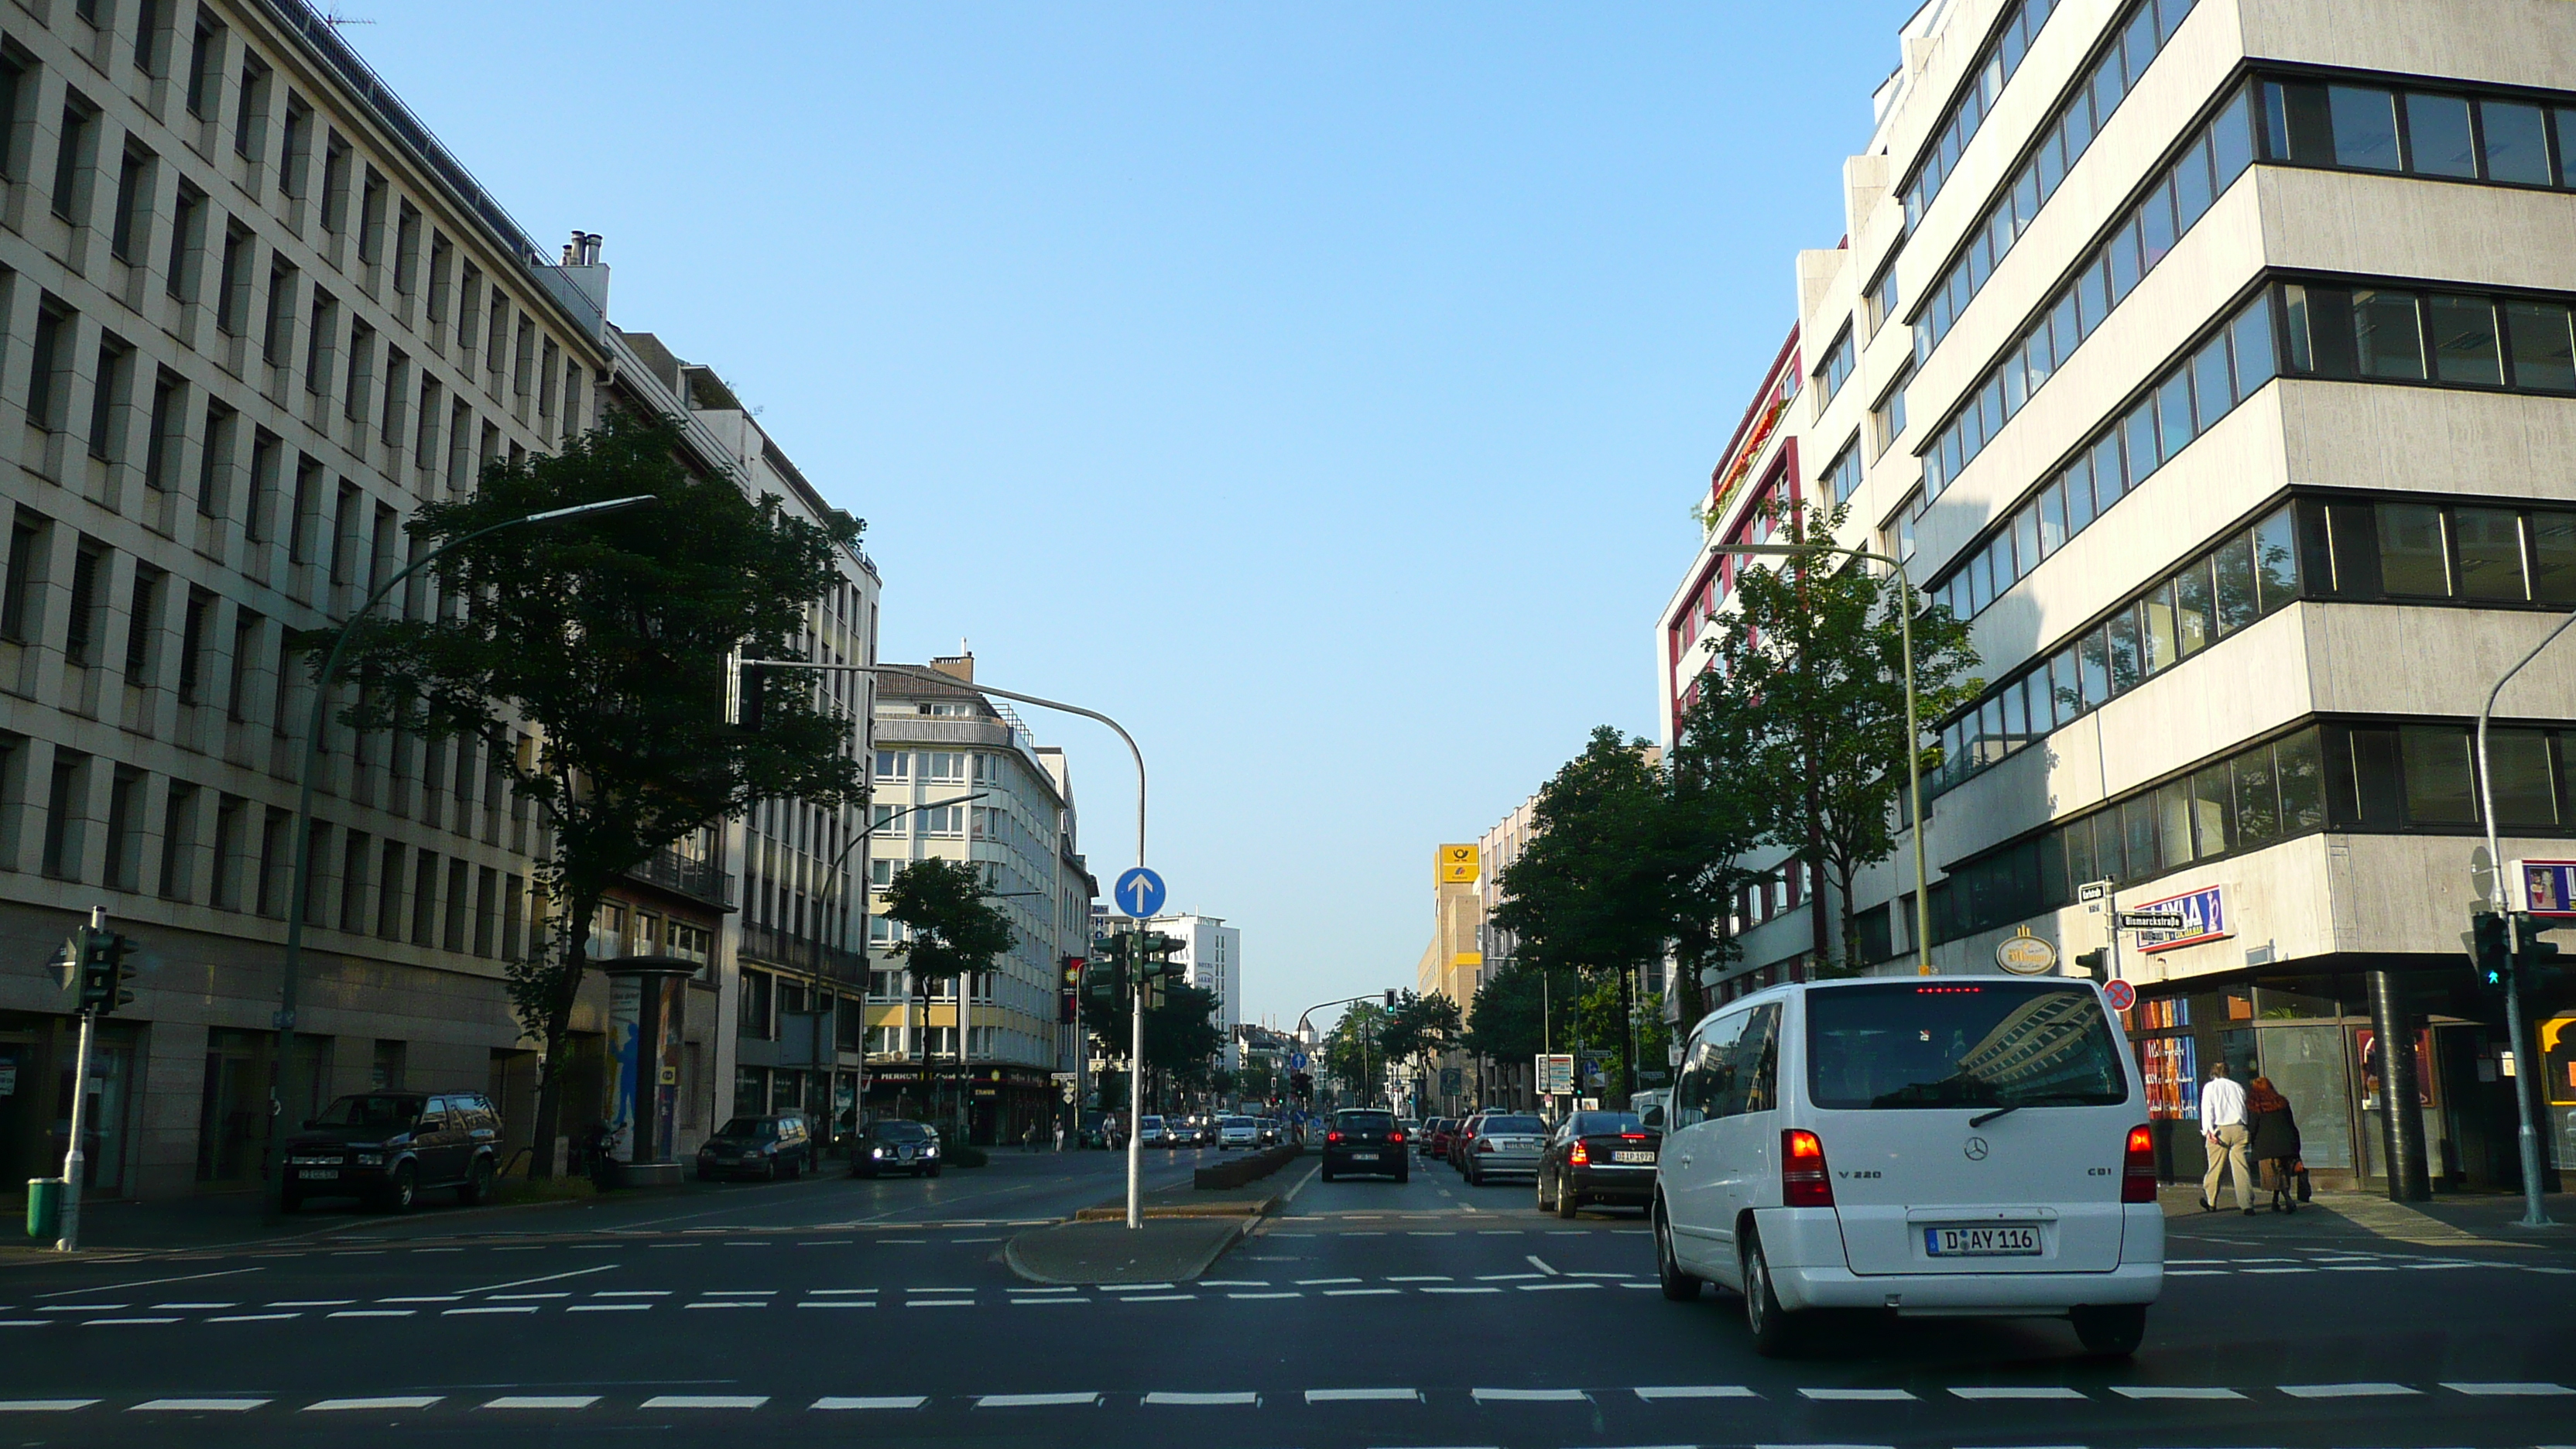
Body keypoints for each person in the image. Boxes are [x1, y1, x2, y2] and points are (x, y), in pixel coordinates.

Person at [2199, 1060, 2253, 1214]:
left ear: (2213, 1073)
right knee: (2241, 1168)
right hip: (2239, 1127)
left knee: (2215, 1167)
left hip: (2220, 1129)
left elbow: (2207, 1109)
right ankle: (2247, 1203)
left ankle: (2211, 1201)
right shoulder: (2237, 1086)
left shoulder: (2210, 1087)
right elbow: (2243, 1108)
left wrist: (2208, 1131)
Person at [2245, 1076, 2301, 1214]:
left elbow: (2253, 1127)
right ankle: (2275, 1201)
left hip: (2266, 1146)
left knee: (2274, 1174)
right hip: (2286, 1143)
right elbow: (2291, 1123)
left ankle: (2288, 1200)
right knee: (2282, 1171)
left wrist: (2249, 1142)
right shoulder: (2282, 1102)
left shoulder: (2255, 1106)